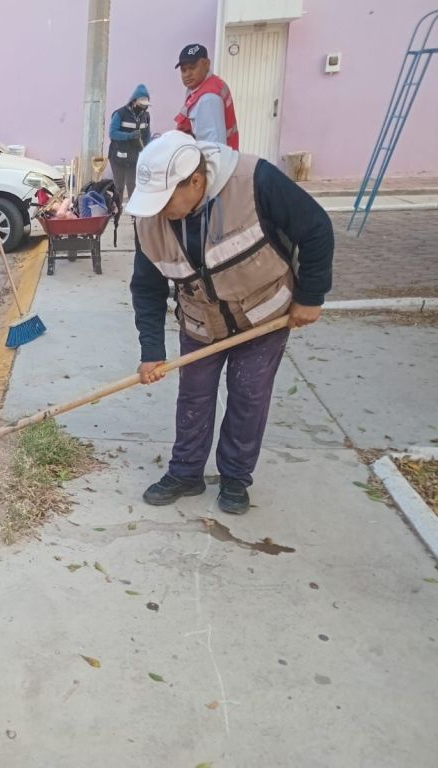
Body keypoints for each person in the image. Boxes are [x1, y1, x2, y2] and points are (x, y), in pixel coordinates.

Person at [126, 131, 333, 514]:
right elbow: (146, 288)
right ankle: (185, 472)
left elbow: (316, 228)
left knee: (248, 396)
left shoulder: (254, 181)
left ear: (196, 181)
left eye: (165, 199)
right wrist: (152, 351)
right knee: (194, 396)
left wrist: (311, 296)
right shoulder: (148, 222)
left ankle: (236, 478)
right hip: (201, 323)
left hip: (263, 319)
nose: (157, 211)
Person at [174, 43, 239, 149]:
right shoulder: (202, 87)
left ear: (207, 64)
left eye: (192, 67)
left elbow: (214, 148)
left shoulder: (208, 98)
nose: (187, 74)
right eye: (183, 70)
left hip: (213, 161)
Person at [108, 84, 152, 200]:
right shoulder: (120, 114)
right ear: (134, 102)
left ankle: (135, 215)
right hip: (117, 157)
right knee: (119, 187)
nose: (143, 108)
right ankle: (116, 213)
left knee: (133, 186)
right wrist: (130, 136)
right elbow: (112, 133)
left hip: (133, 157)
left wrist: (147, 150)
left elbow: (147, 135)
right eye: (141, 105)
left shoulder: (145, 116)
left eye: (145, 105)